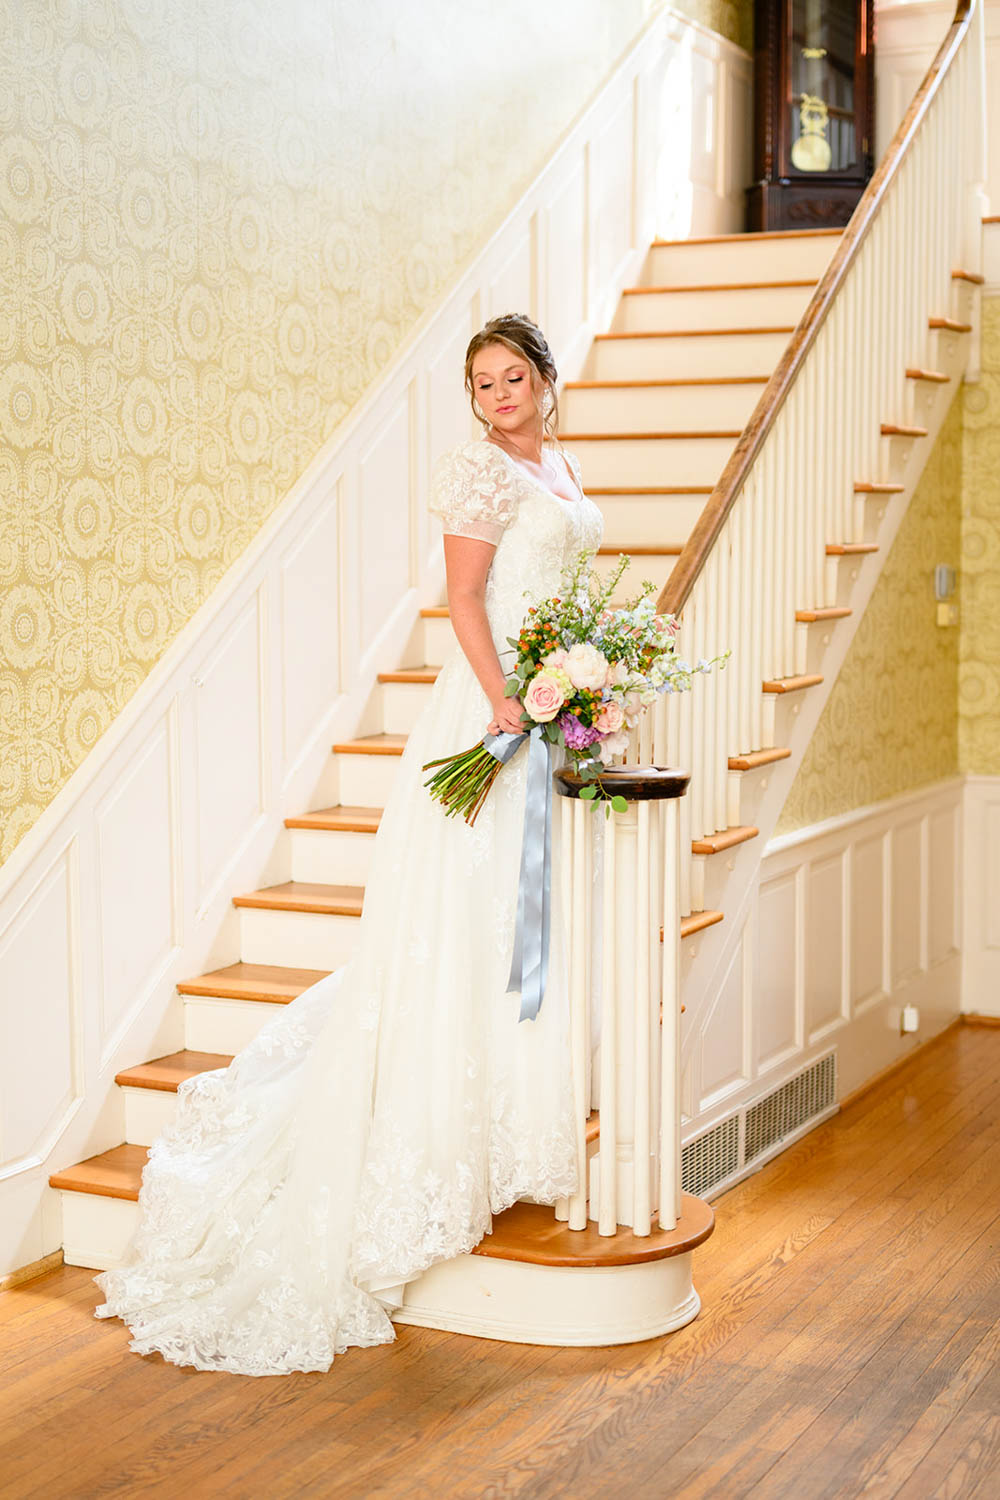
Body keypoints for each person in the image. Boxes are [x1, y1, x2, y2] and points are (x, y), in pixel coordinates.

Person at [93, 313, 606, 1376]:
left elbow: (559, 588)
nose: (497, 394)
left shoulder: (555, 461)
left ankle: (513, 1134)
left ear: (547, 382)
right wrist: (510, 699)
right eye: (481, 382)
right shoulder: (477, 474)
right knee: (468, 917)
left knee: (518, 919)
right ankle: (442, 1139)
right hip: (491, 710)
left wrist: (585, 677)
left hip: (544, 706)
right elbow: (465, 597)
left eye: (512, 377)